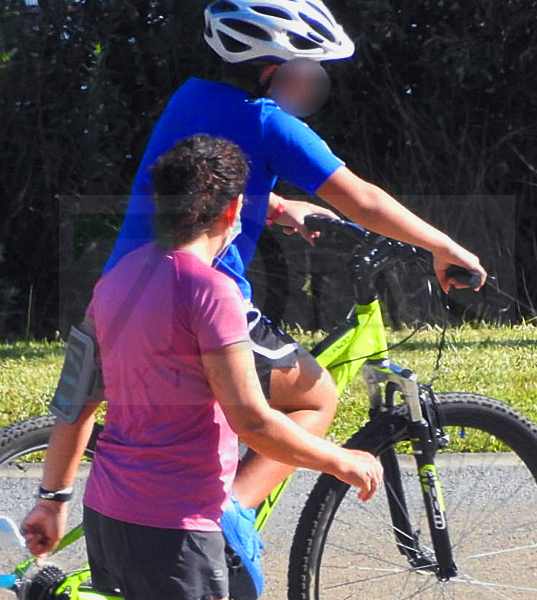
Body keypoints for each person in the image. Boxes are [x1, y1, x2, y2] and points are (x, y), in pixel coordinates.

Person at [93, 0, 491, 594]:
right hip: (196, 297)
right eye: (305, 68)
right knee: (316, 396)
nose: (310, 82)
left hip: (125, 291)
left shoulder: (191, 97)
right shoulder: (267, 121)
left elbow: (198, 178)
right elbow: (361, 201)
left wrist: (274, 204)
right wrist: (443, 248)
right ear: (270, 69)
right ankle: (228, 516)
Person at [21, 134, 384, 600]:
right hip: (178, 528)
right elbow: (251, 420)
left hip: (108, 515)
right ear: (232, 212)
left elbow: (75, 403)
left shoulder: (114, 282)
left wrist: (52, 501)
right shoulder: (212, 293)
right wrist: (342, 460)